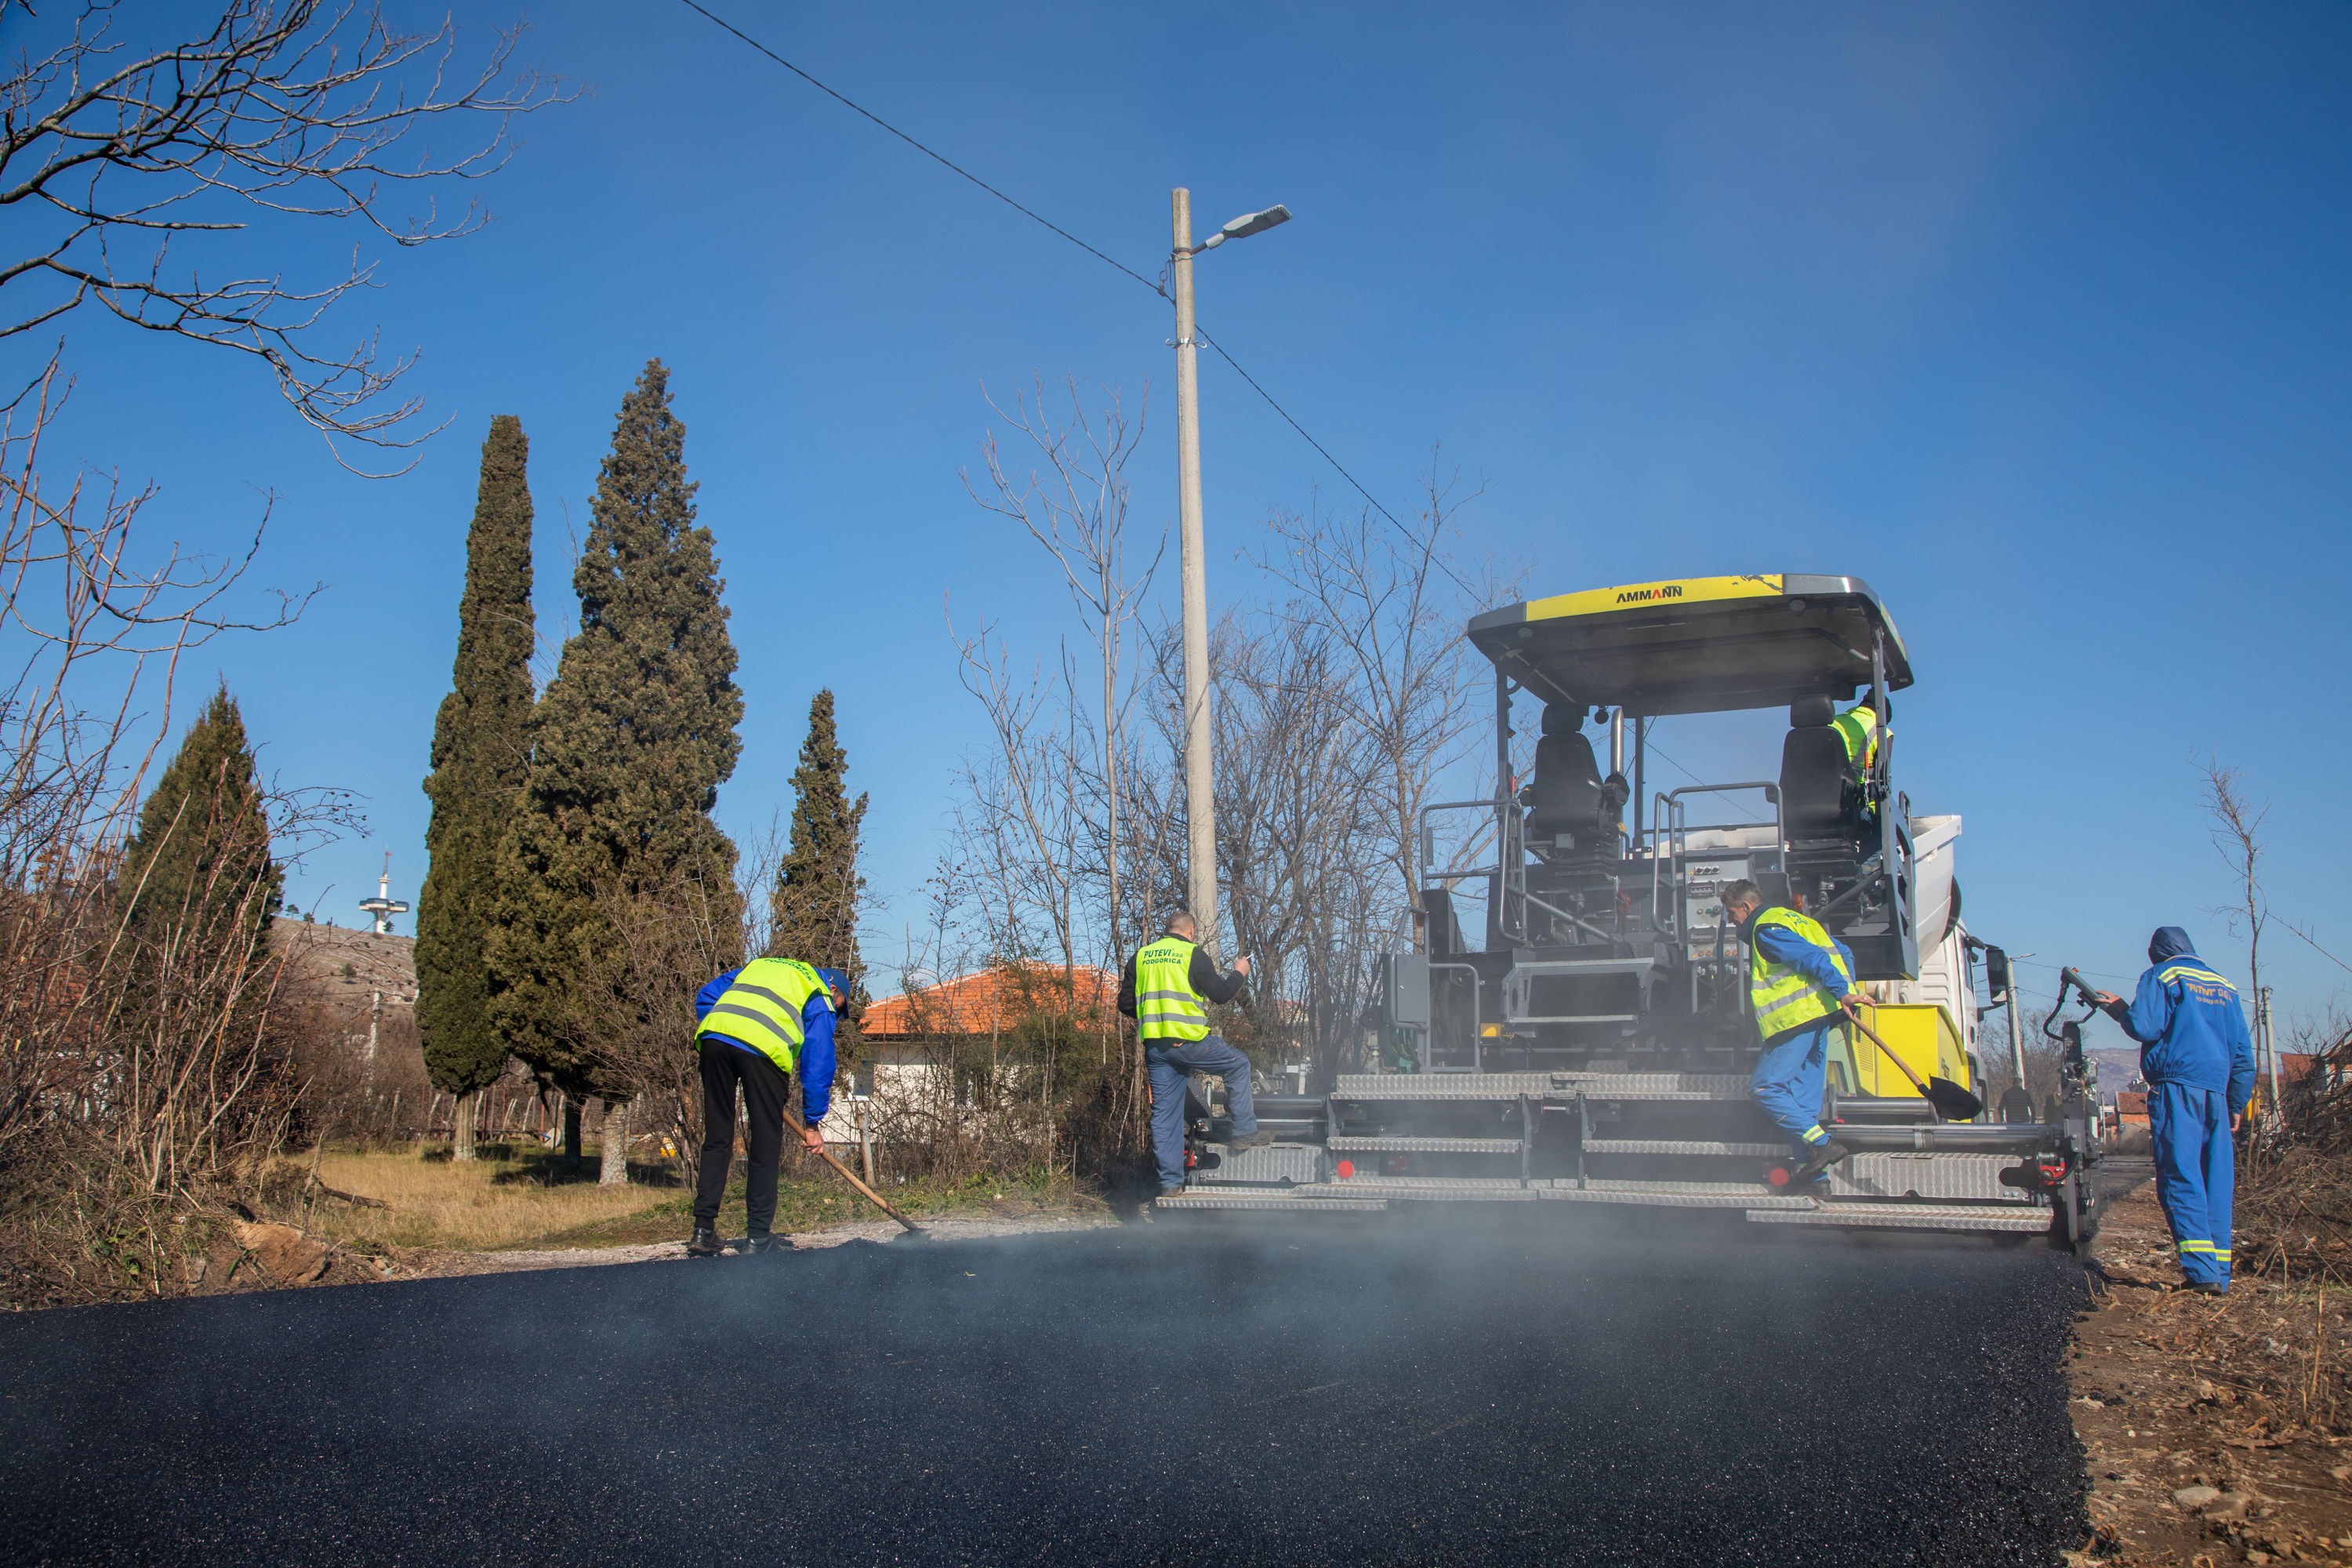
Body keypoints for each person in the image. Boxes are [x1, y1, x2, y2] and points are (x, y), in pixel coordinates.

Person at [2096, 928, 2256, 1295]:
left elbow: (2143, 1026)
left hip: (2177, 1087)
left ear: (2156, 952)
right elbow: (2244, 1056)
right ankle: (2220, 1274)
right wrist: (2235, 1105)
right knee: (2215, 1180)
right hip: (2216, 1091)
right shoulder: (2224, 986)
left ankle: (2201, 1276)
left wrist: (2118, 1008)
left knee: (2181, 1175)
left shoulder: (2162, 975)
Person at [685, 956, 848, 1258]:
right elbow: (818, 1061)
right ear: (834, 988)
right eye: (840, 1006)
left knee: (717, 1138)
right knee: (765, 1144)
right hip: (763, 1050)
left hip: (715, 1039)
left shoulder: (762, 965)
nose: (836, 1014)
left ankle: (702, 1231)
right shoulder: (819, 992)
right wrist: (812, 1123)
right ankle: (758, 1238)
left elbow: (707, 995)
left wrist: (731, 1034)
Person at [1719, 880, 1862, 1189]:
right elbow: (1844, 953)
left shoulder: (1766, 928)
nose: (1731, 922)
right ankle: (1816, 1179)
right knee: (1801, 1105)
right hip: (1818, 1020)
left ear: (1746, 907)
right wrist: (1847, 993)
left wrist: (1842, 992)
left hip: (1794, 1022)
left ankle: (1823, 1144)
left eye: (1732, 914)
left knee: (1765, 1089)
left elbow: (1813, 959)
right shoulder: (1800, 920)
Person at [1117, 912, 1269, 1200]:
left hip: (1156, 1049)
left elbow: (1126, 1003)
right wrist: (1240, 971)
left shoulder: (1141, 957)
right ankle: (1244, 1132)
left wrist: (1154, 1013)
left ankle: (1170, 1184)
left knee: (1164, 1115)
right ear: (1191, 931)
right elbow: (1222, 994)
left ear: (1167, 930)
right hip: (1189, 1042)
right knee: (1238, 1063)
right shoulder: (1192, 954)